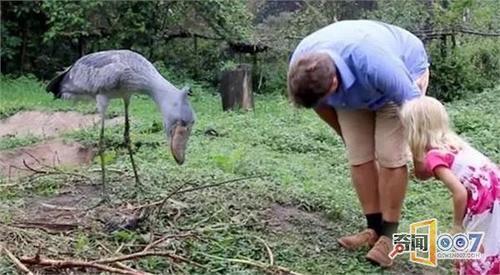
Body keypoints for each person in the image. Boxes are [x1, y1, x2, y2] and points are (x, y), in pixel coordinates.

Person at [287, 20, 430, 267]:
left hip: (401, 79)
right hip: (354, 90)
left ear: (333, 84)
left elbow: (416, 109)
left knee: (390, 156)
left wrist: (420, 159)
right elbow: (318, 105)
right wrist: (347, 138)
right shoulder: (301, 67)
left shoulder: (377, 63)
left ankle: (389, 237)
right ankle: (372, 229)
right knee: (359, 156)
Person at [400, 96, 500, 274]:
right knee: (491, 239)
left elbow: (459, 192)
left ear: (414, 130)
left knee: (474, 243)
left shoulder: (434, 156)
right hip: (494, 186)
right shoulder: (453, 144)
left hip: (484, 197)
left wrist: (456, 225)